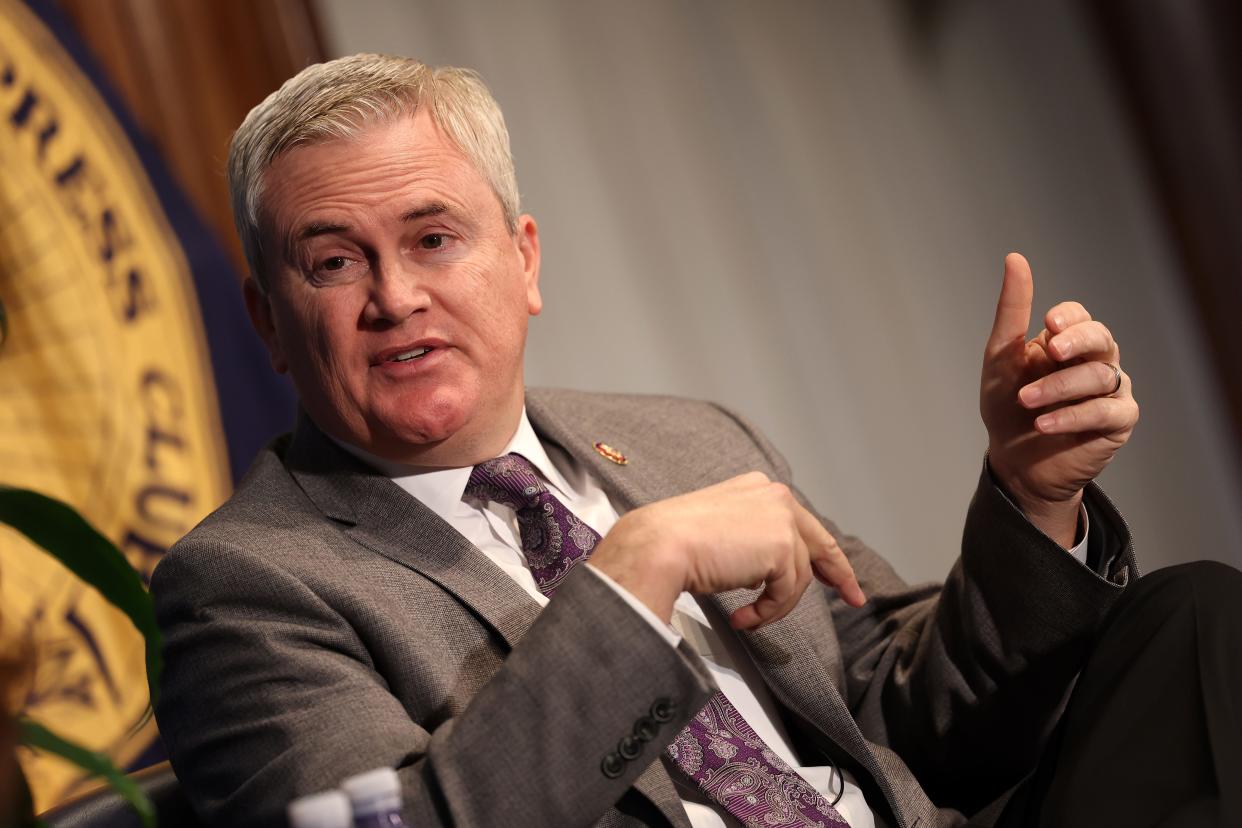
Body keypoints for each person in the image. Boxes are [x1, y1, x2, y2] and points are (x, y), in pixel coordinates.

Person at [152, 53, 1241, 828]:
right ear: (269, 326)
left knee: (1194, 615)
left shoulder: (683, 441)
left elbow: (912, 716)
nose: (396, 297)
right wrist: (630, 581)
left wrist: (1029, 490)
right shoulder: (243, 587)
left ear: (525, 263)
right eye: (334, 262)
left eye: (435, 239)